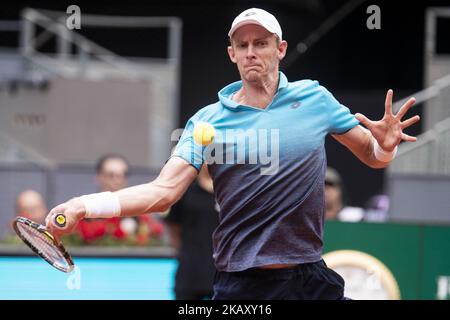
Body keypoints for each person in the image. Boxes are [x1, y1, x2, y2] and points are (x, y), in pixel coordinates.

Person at [45, 8, 420, 299]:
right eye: (243, 45)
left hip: (309, 276)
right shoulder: (206, 121)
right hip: (243, 283)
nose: (252, 52)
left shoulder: (315, 99)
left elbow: (373, 156)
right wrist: (83, 204)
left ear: (280, 48)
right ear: (232, 54)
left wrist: (385, 147)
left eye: (261, 42)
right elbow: (163, 193)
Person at [76, 154, 164, 244]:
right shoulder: (85, 213)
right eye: (111, 175)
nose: (118, 181)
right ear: (98, 178)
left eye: (123, 175)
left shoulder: (139, 216)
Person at [165, 164, 219, 300]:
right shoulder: (184, 190)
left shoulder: (232, 189)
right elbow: (174, 227)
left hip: (225, 274)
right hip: (189, 272)